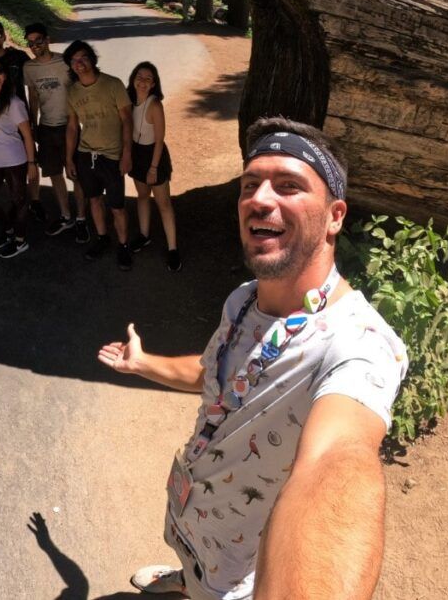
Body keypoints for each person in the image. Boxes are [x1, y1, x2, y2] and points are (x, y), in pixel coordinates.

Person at [98, 117, 408, 600]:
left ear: (335, 216)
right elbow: (213, 375)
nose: (259, 199)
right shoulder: (243, 300)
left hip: (241, 573)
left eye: (288, 185)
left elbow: (337, 461)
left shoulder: (360, 344)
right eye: (249, 185)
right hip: (197, 513)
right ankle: (187, 577)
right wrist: (143, 363)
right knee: (193, 567)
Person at [64, 40, 134, 270]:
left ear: (92, 59)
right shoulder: (72, 92)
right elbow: (72, 127)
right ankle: (103, 237)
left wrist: (126, 153)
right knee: (93, 199)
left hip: (112, 156)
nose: (79, 63)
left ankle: (123, 245)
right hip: (86, 154)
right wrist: (69, 158)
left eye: (83, 57)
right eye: (74, 60)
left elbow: (127, 120)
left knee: (117, 206)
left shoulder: (113, 84)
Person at [22, 23, 88, 240]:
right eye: (30, 43)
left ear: (47, 40)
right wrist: (33, 125)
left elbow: (81, 88)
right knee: (55, 173)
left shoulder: (65, 62)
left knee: (75, 174)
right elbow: (33, 97)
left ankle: (81, 218)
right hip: (46, 128)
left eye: (38, 41)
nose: (35, 46)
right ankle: (66, 215)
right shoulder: (29, 68)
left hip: (69, 126)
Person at [0, 58, 38, 258]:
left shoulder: (14, 102)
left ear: (5, 75)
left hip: (14, 159)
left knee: (19, 200)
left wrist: (32, 163)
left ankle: (20, 240)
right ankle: (9, 230)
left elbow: (27, 135)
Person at [126, 62, 181, 272]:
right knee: (142, 196)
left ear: (153, 84)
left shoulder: (155, 105)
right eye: (139, 76)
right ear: (133, 79)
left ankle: (173, 249)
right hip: (137, 153)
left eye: (148, 78)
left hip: (154, 155)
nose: (142, 81)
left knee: (163, 203)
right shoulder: (129, 101)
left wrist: (153, 168)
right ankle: (144, 235)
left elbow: (159, 140)